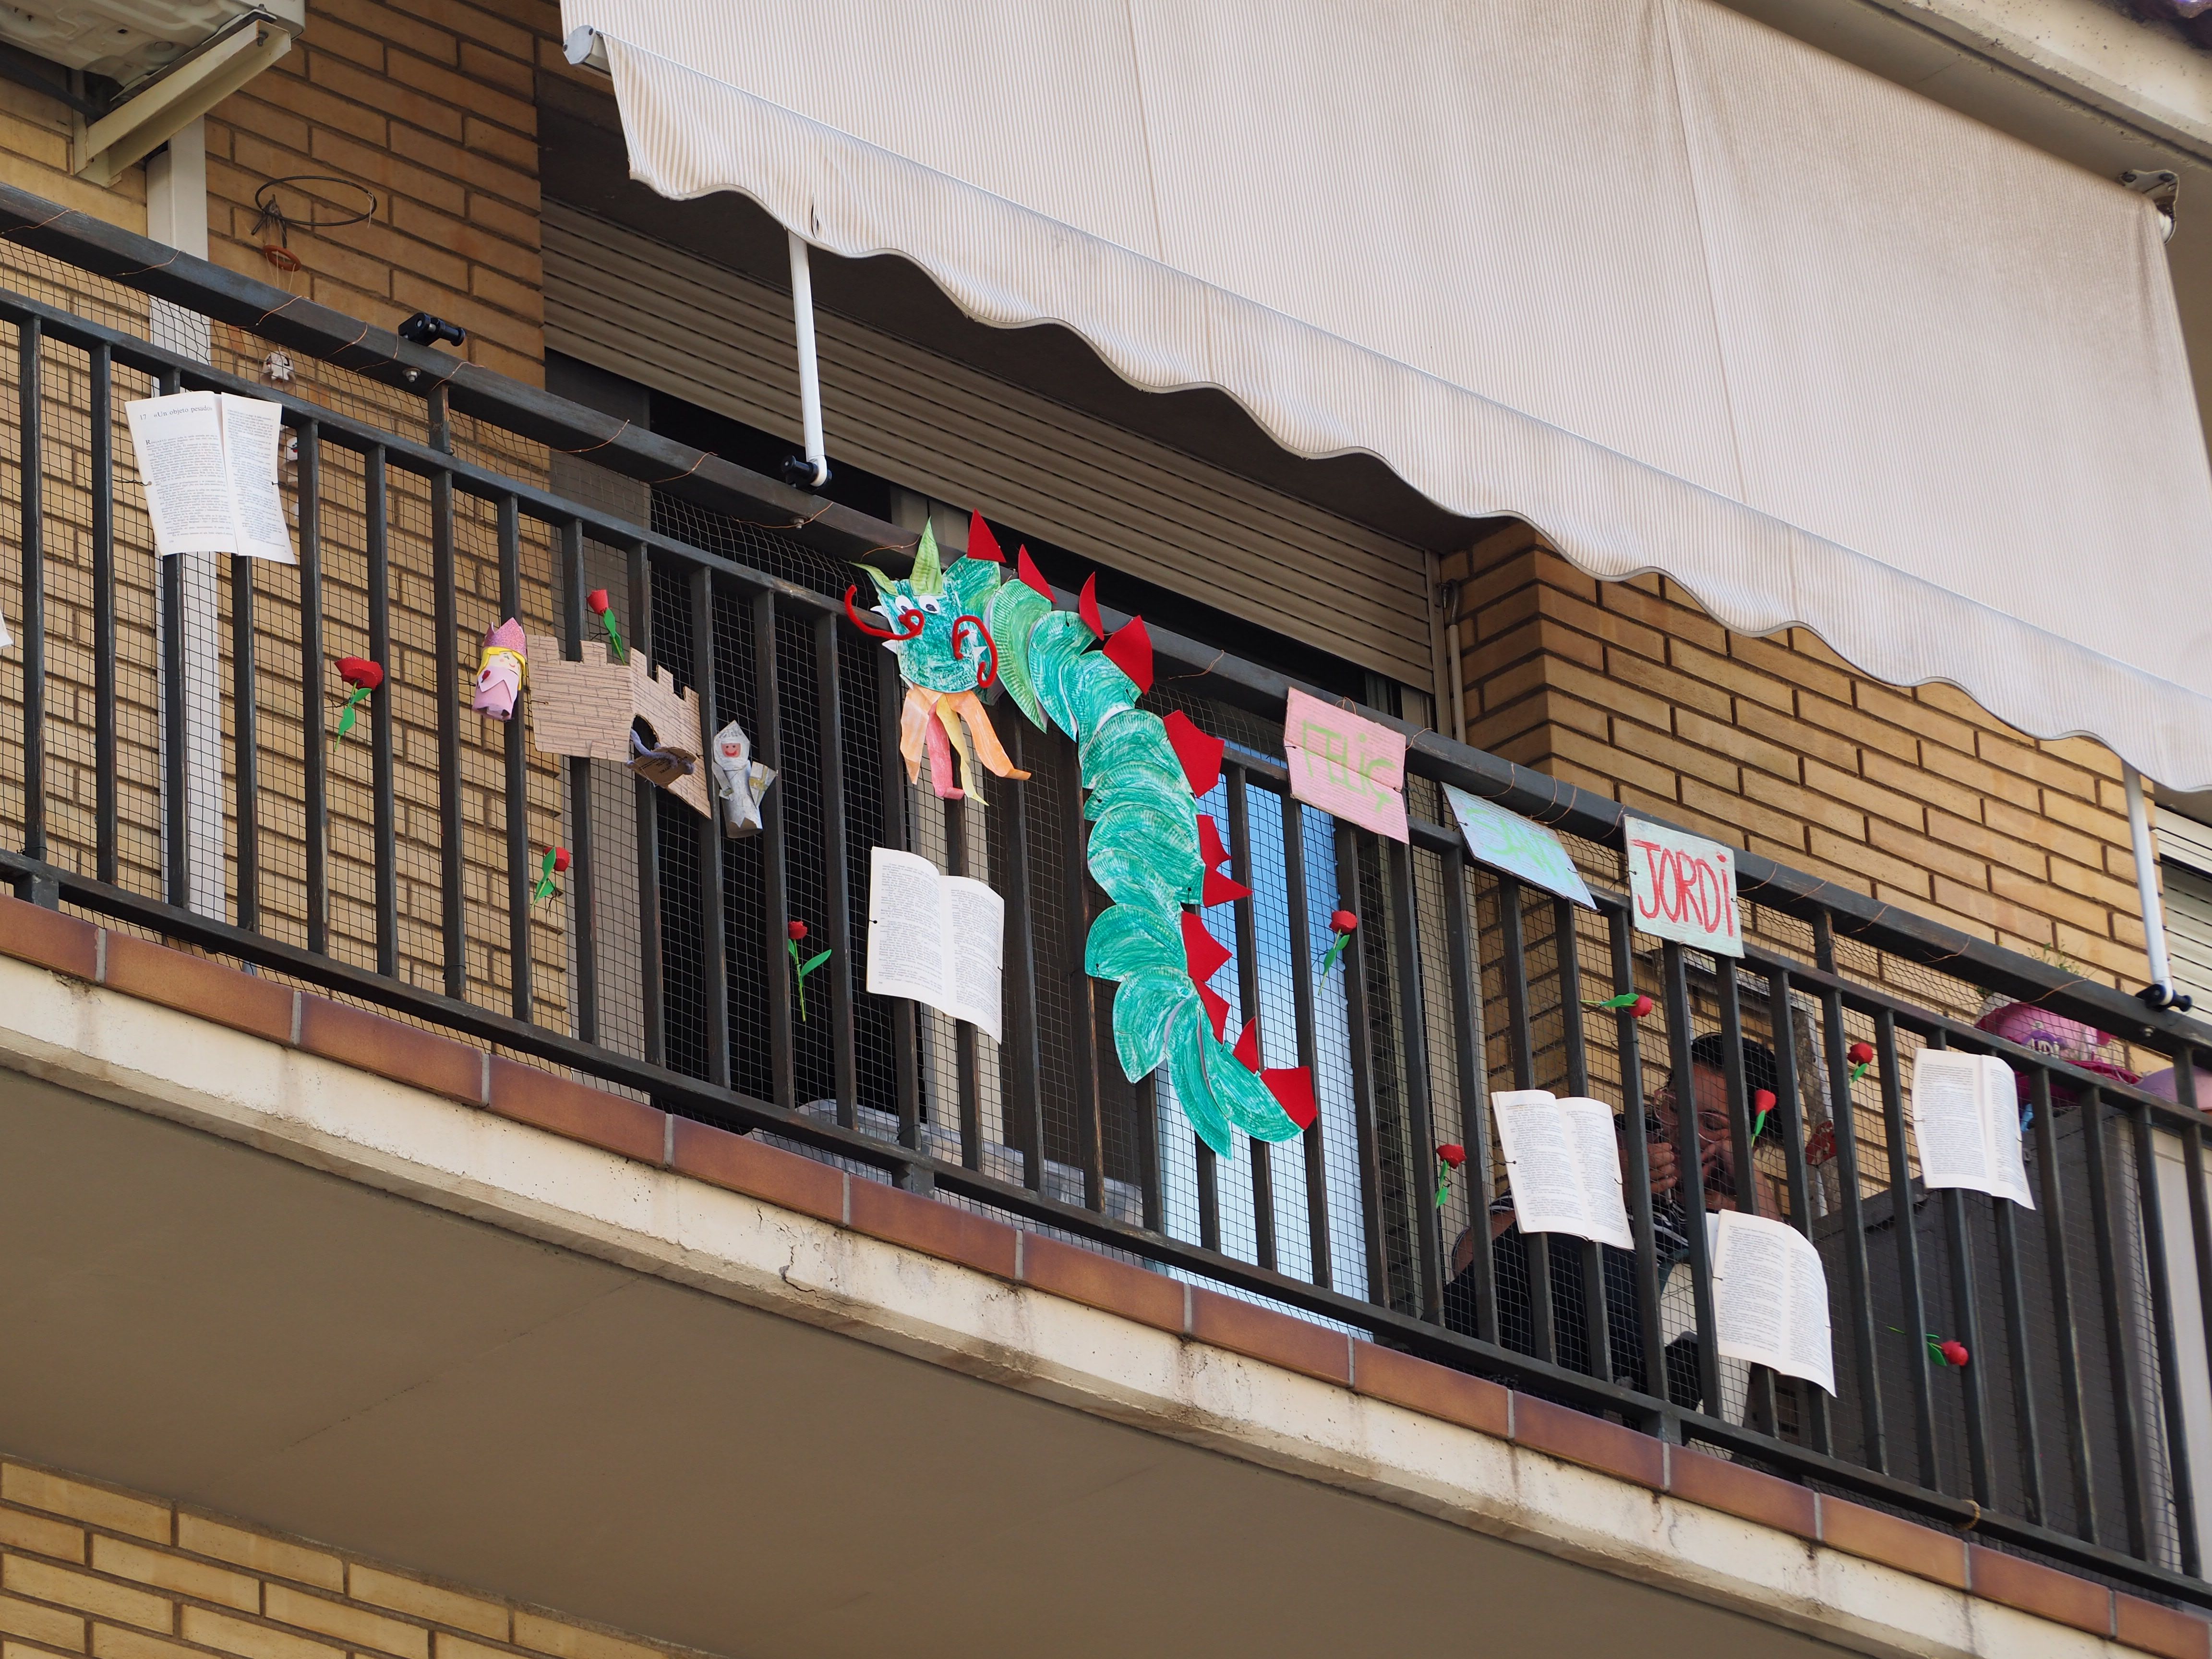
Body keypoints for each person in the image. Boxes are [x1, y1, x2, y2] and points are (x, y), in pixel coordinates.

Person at [1443, 1031, 1779, 1411]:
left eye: (1711, 1123)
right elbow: (1472, 1258)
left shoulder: (1745, 1216)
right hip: (1520, 1358)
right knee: (1580, 1252)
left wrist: (1754, 1190)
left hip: (1604, 1389)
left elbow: (1776, 1323)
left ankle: (1639, 1392)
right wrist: (1605, 1185)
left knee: (1679, 1351)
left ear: (1753, 1142)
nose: (1682, 1129)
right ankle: (1638, 1387)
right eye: (1673, 1107)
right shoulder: (1606, 1149)